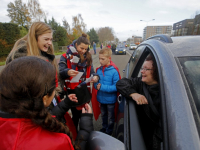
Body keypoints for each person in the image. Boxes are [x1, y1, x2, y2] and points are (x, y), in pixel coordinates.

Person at [0, 56, 94, 150]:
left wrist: (65, 103)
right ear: (44, 98)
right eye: (54, 88)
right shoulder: (57, 142)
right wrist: (85, 129)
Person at [5, 21, 78, 137]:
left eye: (51, 39)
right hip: (32, 112)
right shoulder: (20, 59)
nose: (49, 43)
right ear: (35, 38)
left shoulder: (45, 53)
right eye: (46, 39)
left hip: (48, 106)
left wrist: (63, 75)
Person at [116, 54, 162, 150]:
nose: (142, 71)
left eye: (146, 69)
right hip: (143, 135)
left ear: (157, 72)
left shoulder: (167, 90)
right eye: (142, 68)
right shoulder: (140, 83)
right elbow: (121, 83)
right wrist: (133, 94)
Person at [59, 33, 99, 131]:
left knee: (85, 116)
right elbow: (60, 72)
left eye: (86, 49)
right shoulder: (65, 56)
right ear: (76, 45)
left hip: (84, 91)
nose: (84, 51)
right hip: (72, 91)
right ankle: (75, 136)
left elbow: (93, 73)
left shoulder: (88, 57)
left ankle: (85, 135)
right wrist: (67, 72)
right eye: (81, 48)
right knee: (76, 117)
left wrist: (95, 78)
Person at [93, 48, 120, 135]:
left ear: (109, 58)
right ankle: (104, 128)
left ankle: (109, 131)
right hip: (101, 98)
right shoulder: (98, 70)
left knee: (111, 117)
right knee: (103, 115)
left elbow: (116, 87)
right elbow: (96, 85)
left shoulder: (114, 71)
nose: (100, 61)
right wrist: (95, 84)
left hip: (110, 100)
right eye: (99, 58)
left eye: (102, 59)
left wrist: (102, 87)